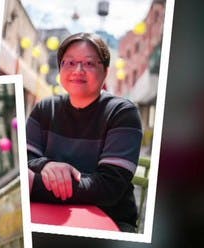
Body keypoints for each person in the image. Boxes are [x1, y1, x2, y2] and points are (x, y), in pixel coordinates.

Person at [26, 32, 143, 232]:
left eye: (89, 64)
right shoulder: (44, 109)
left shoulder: (122, 113)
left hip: (109, 221)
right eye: (69, 63)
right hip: (47, 214)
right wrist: (47, 165)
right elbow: (25, 159)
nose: (77, 70)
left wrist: (34, 185)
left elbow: (108, 188)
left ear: (105, 71)